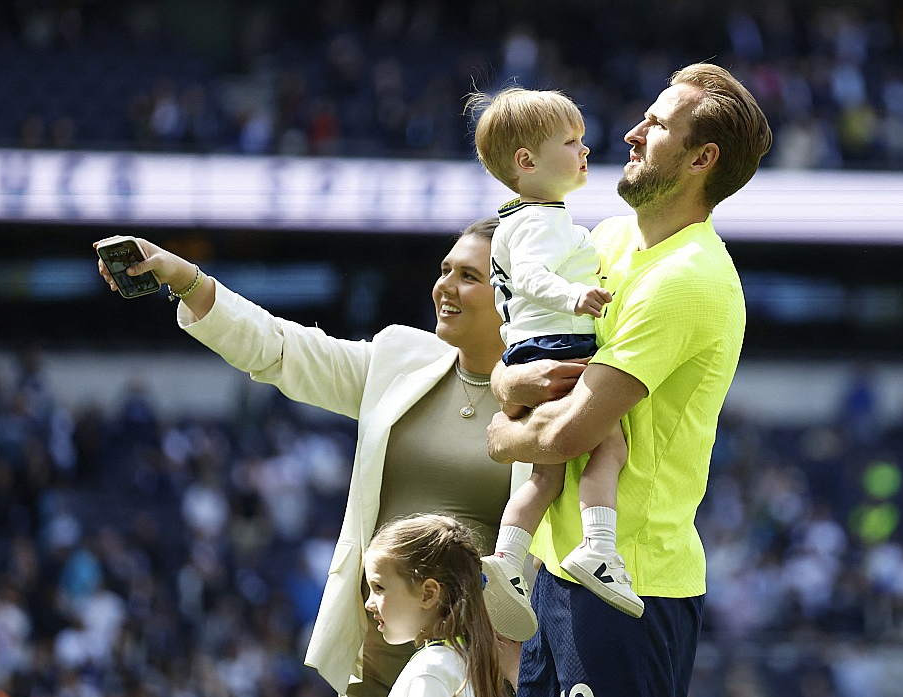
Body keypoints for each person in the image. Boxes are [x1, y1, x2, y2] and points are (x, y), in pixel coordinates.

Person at [94, 219, 527, 697]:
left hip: (492, 667)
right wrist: (185, 279)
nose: (445, 285)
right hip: (381, 659)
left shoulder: (551, 394)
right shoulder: (400, 356)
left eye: (469, 276)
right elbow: (281, 351)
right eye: (445, 270)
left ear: (514, 292)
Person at [486, 63, 773, 696]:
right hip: (560, 570)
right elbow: (519, 357)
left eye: (657, 124)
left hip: (633, 584)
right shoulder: (605, 241)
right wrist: (509, 386)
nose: (631, 135)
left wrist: (501, 435)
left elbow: (567, 433)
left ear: (702, 159)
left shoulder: (689, 277)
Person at [466, 86, 639, 640]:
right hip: (558, 347)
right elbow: (535, 279)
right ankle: (599, 548)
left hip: (526, 350)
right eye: (572, 141)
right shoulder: (540, 220)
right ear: (527, 162)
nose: (585, 150)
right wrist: (576, 297)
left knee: (544, 473)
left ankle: (508, 562)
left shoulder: (514, 221)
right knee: (609, 445)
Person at [364, 513, 507, 697]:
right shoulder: (466, 661)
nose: (369, 603)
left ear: (428, 594)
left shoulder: (428, 672)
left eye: (379, 588)